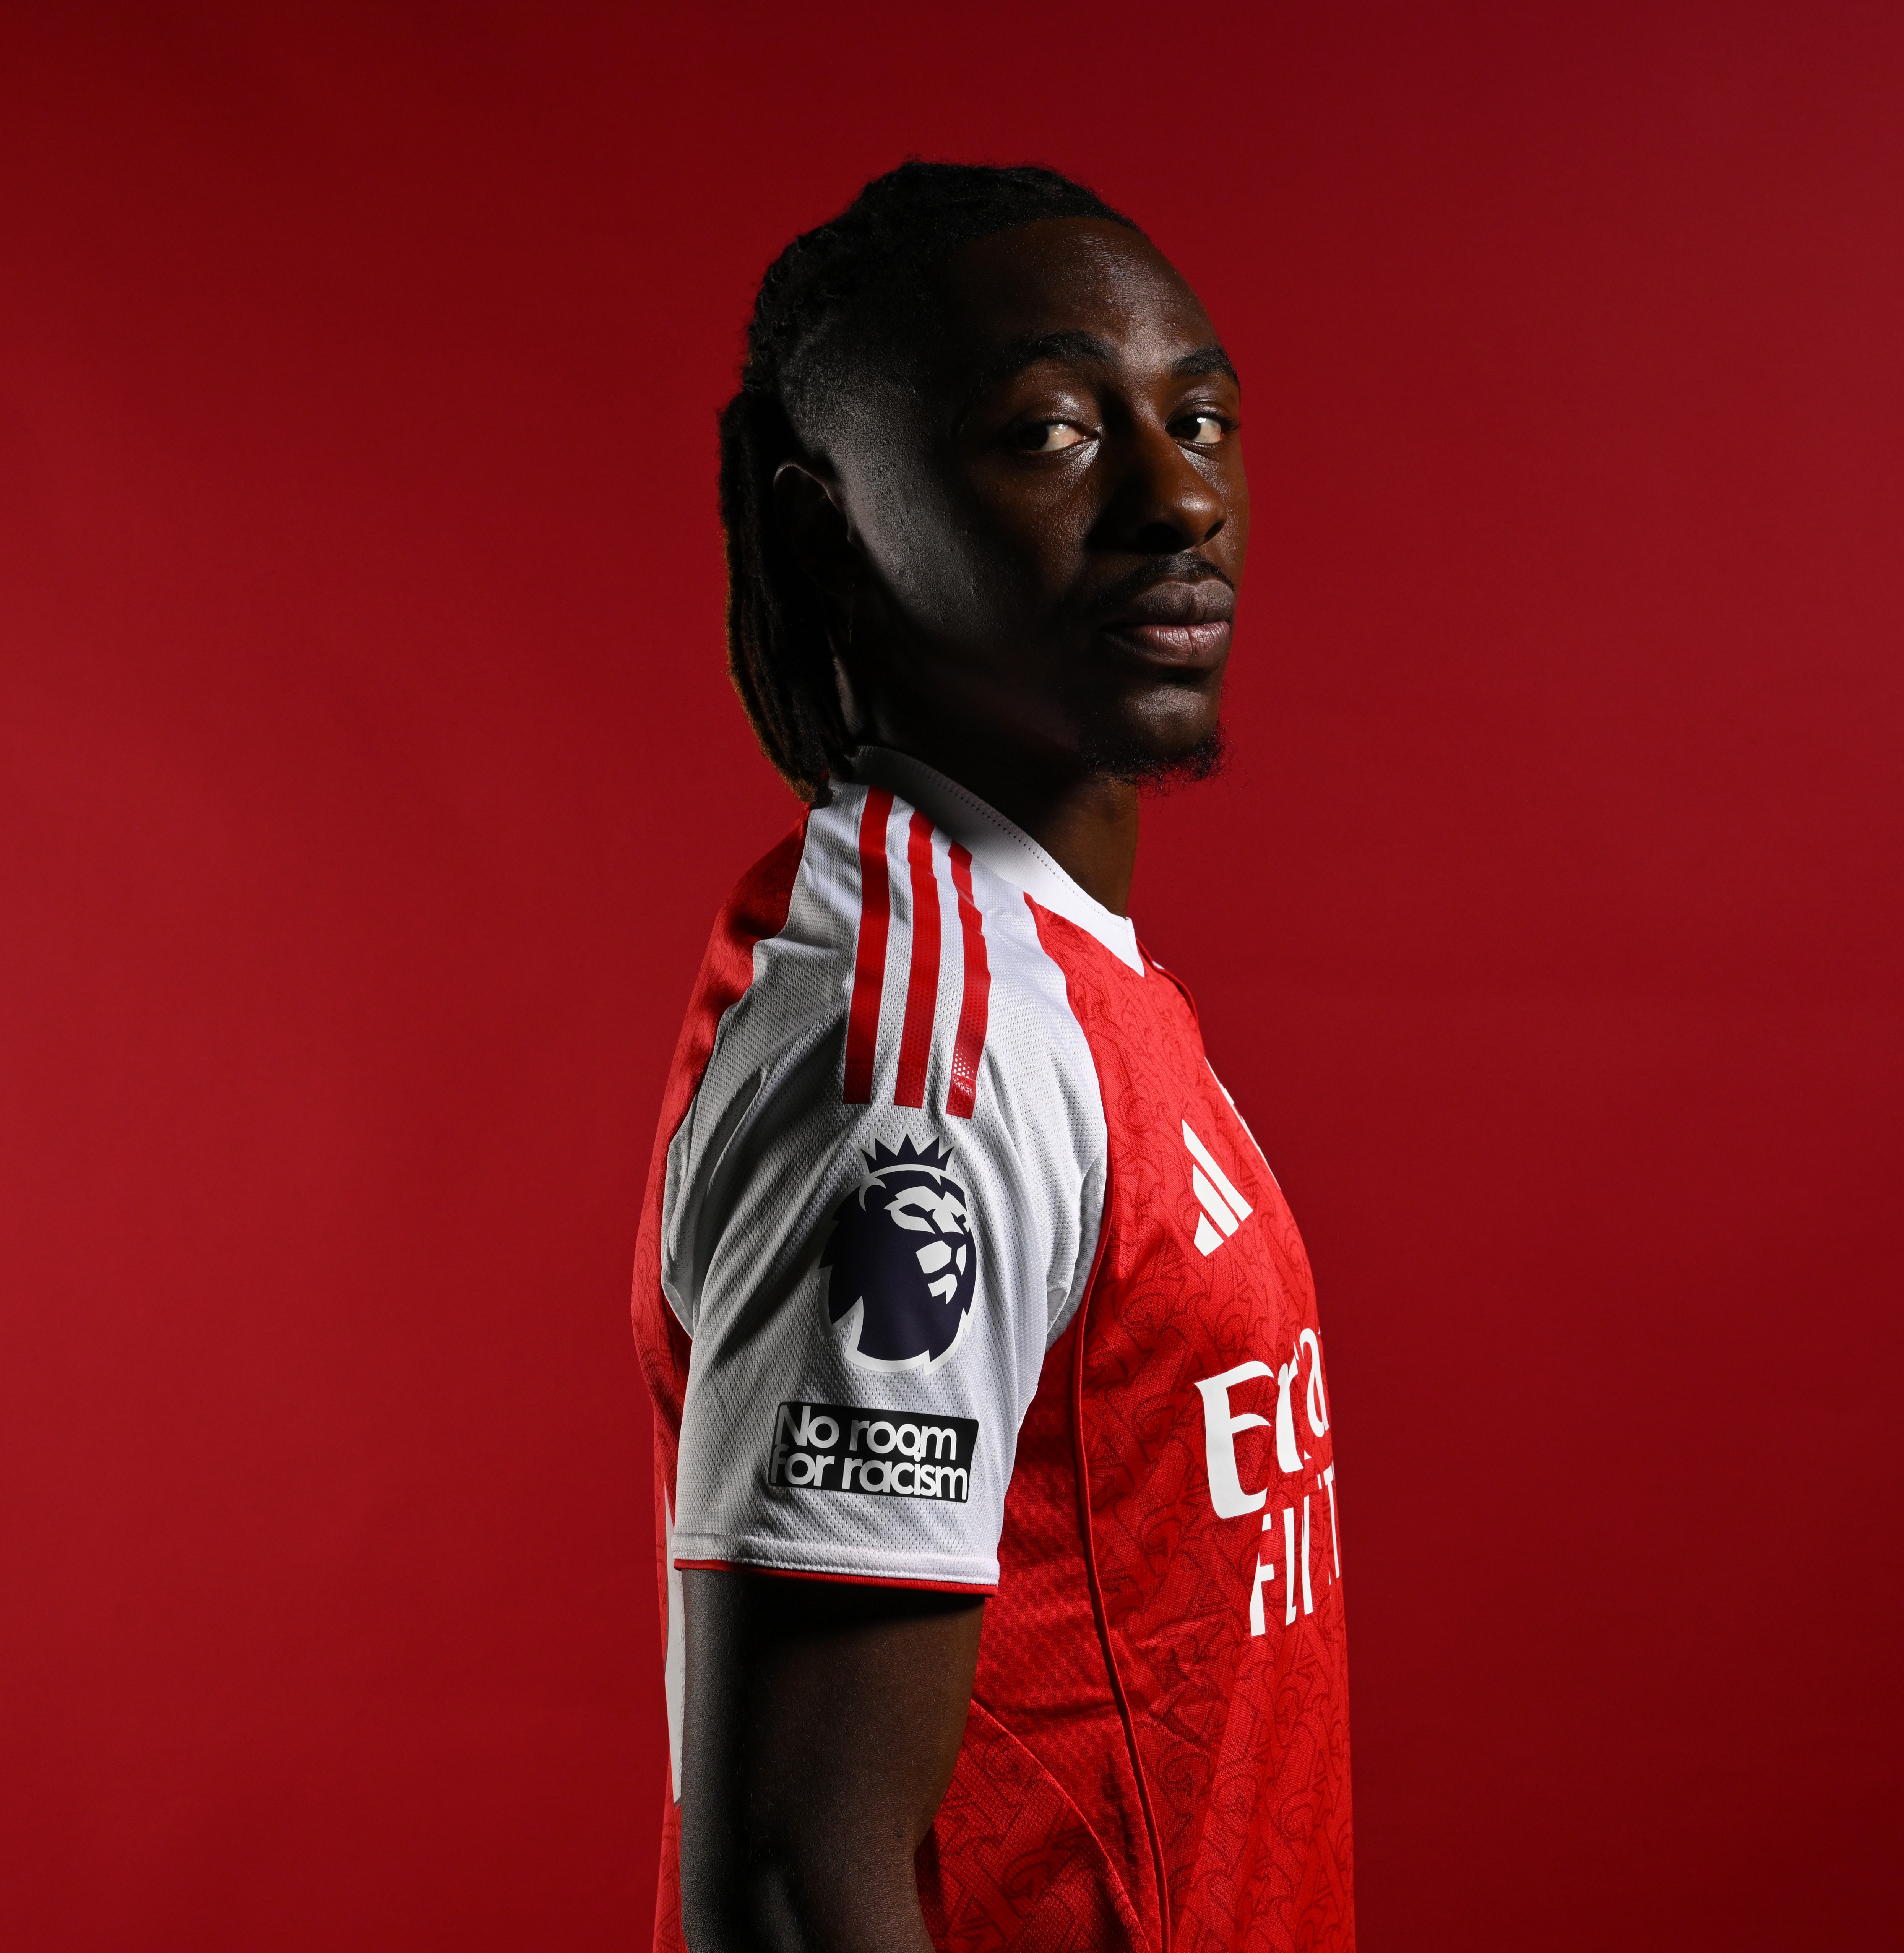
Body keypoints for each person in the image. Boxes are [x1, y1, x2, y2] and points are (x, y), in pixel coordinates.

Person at [632, 162, 1350, 1953]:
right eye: (1046, 431)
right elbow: (797, 1882)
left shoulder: (1038, 971)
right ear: (827, 534)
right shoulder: (920, 1065)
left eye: (1198, 416)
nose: (1177, 497)